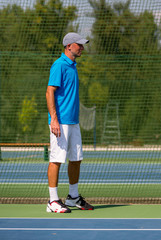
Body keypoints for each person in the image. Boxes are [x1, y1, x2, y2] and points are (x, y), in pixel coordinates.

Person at [45, 32, 94, 213]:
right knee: (56, 159)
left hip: (73, 121)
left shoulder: (73, 66)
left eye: (82, 45)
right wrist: (55, 121)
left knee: (76, 159)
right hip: (61, 122)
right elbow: (49, 92)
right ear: (68, 46)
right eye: (79, 44)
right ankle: (53, 201)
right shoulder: (59, 65)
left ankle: (73, 197)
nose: (82, 47)